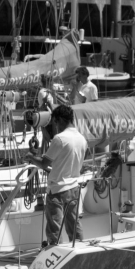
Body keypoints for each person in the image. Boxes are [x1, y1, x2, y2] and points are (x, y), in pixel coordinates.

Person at [26, 105, 87, 247]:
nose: (55, 126)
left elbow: (44, 163)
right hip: (73, 188)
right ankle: (80, 249)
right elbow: (64, 165)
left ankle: (54, 253)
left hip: (57, 190)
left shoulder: (60, 139)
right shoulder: (81, 139)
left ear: (59, 120)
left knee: (55, 228)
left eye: (55, 122)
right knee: (74, 224)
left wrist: (31, 157)